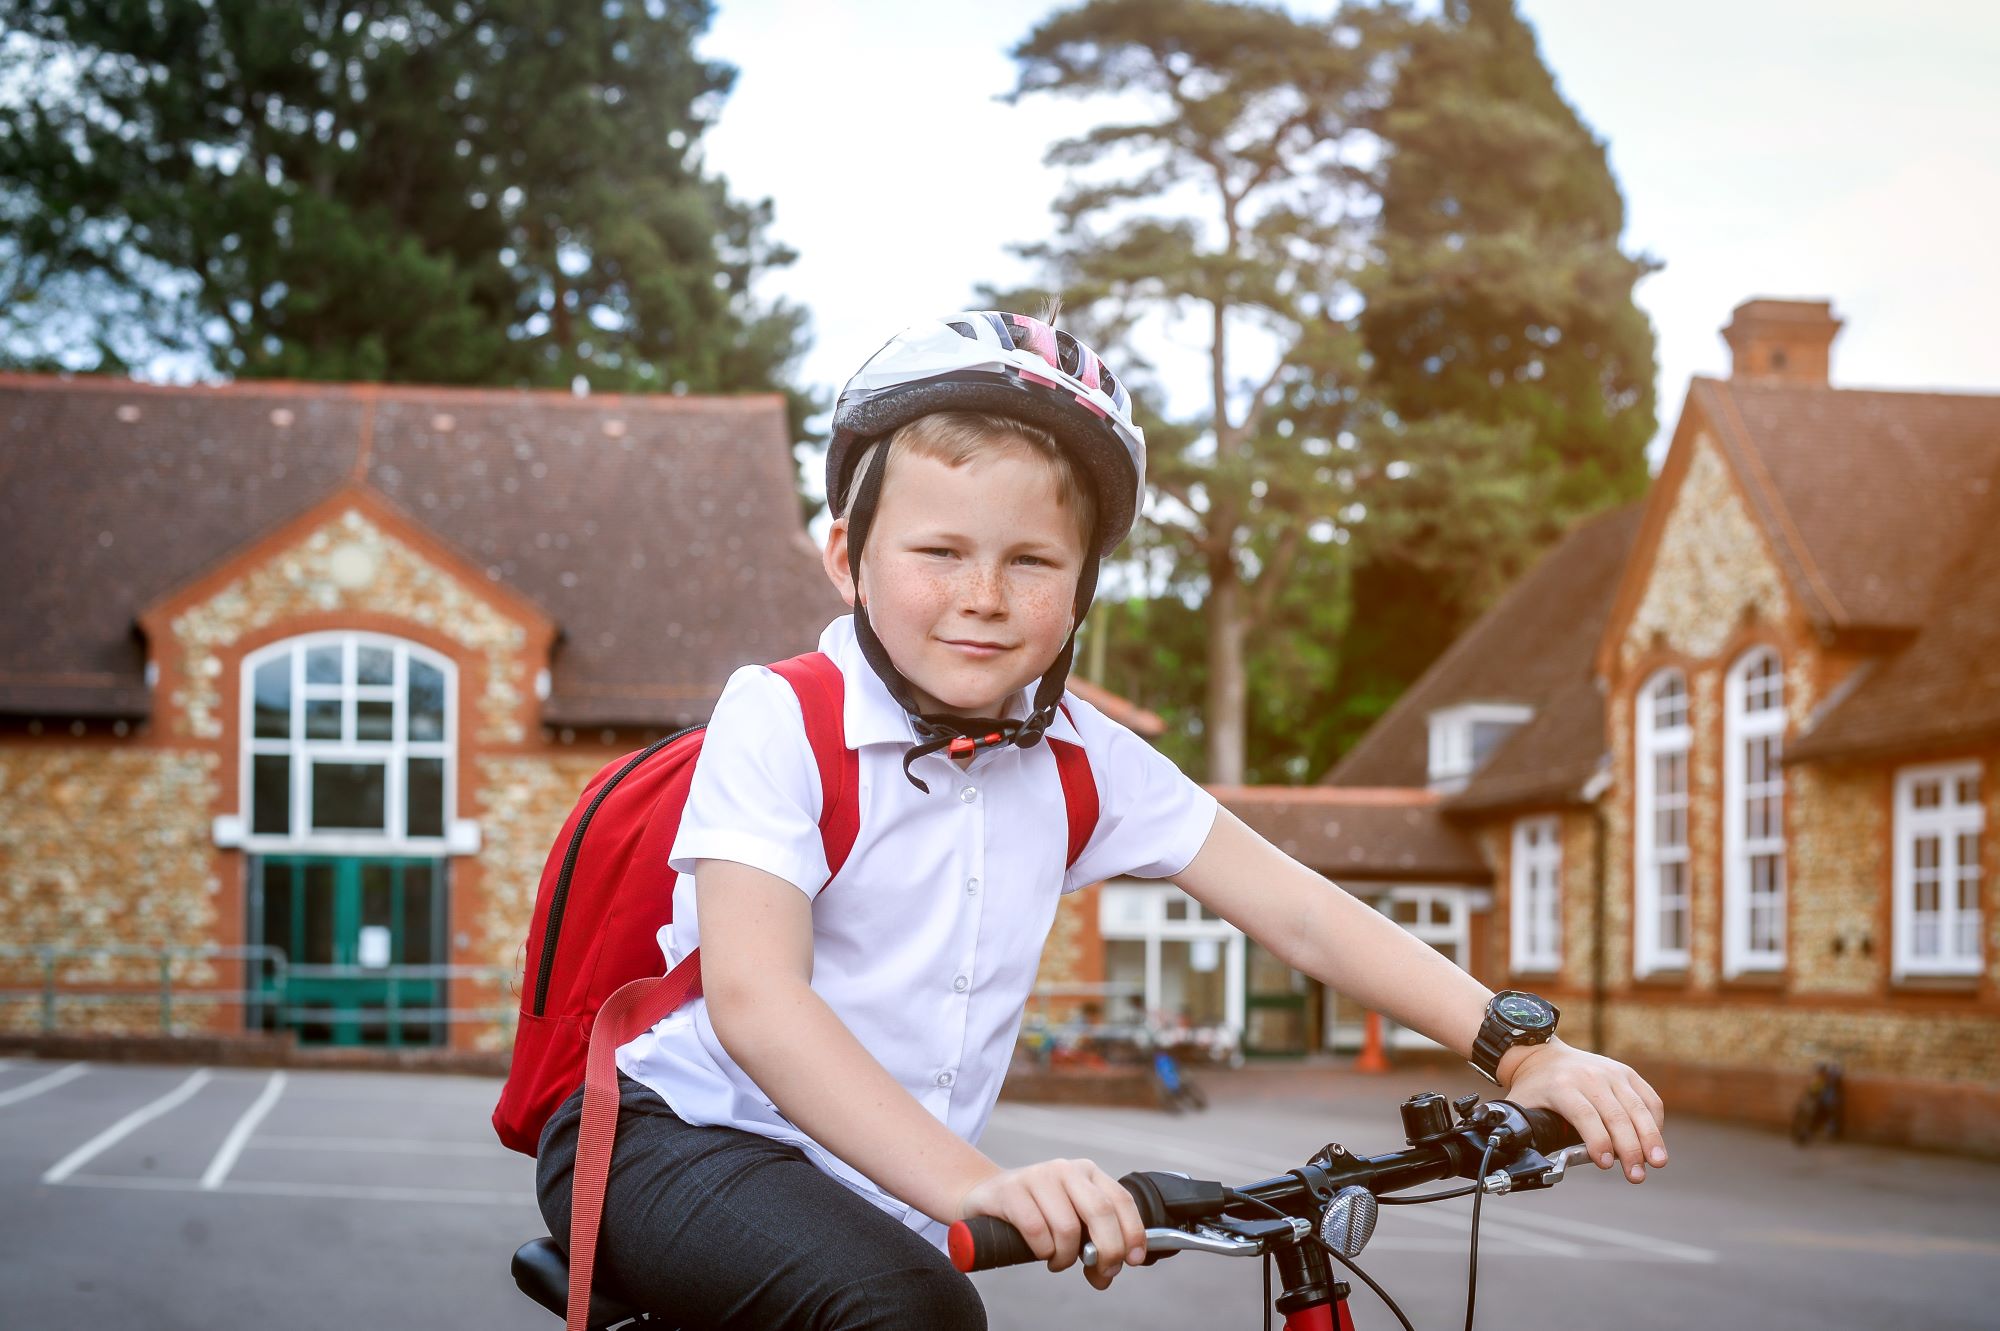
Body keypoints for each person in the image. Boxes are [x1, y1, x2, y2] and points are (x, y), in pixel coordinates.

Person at [534, 310, 1669, 1329]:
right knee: (911, 1313)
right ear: (846, 557)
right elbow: (755, 999)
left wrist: (1522, 1048)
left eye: (1031, 561)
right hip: (675, 1135)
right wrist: (973, 1179)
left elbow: (1303, 915)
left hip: (883, 1180)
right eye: (939, 552)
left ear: (1080, 589)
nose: (983, 594)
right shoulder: (781, 714)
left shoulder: (1083, 760)